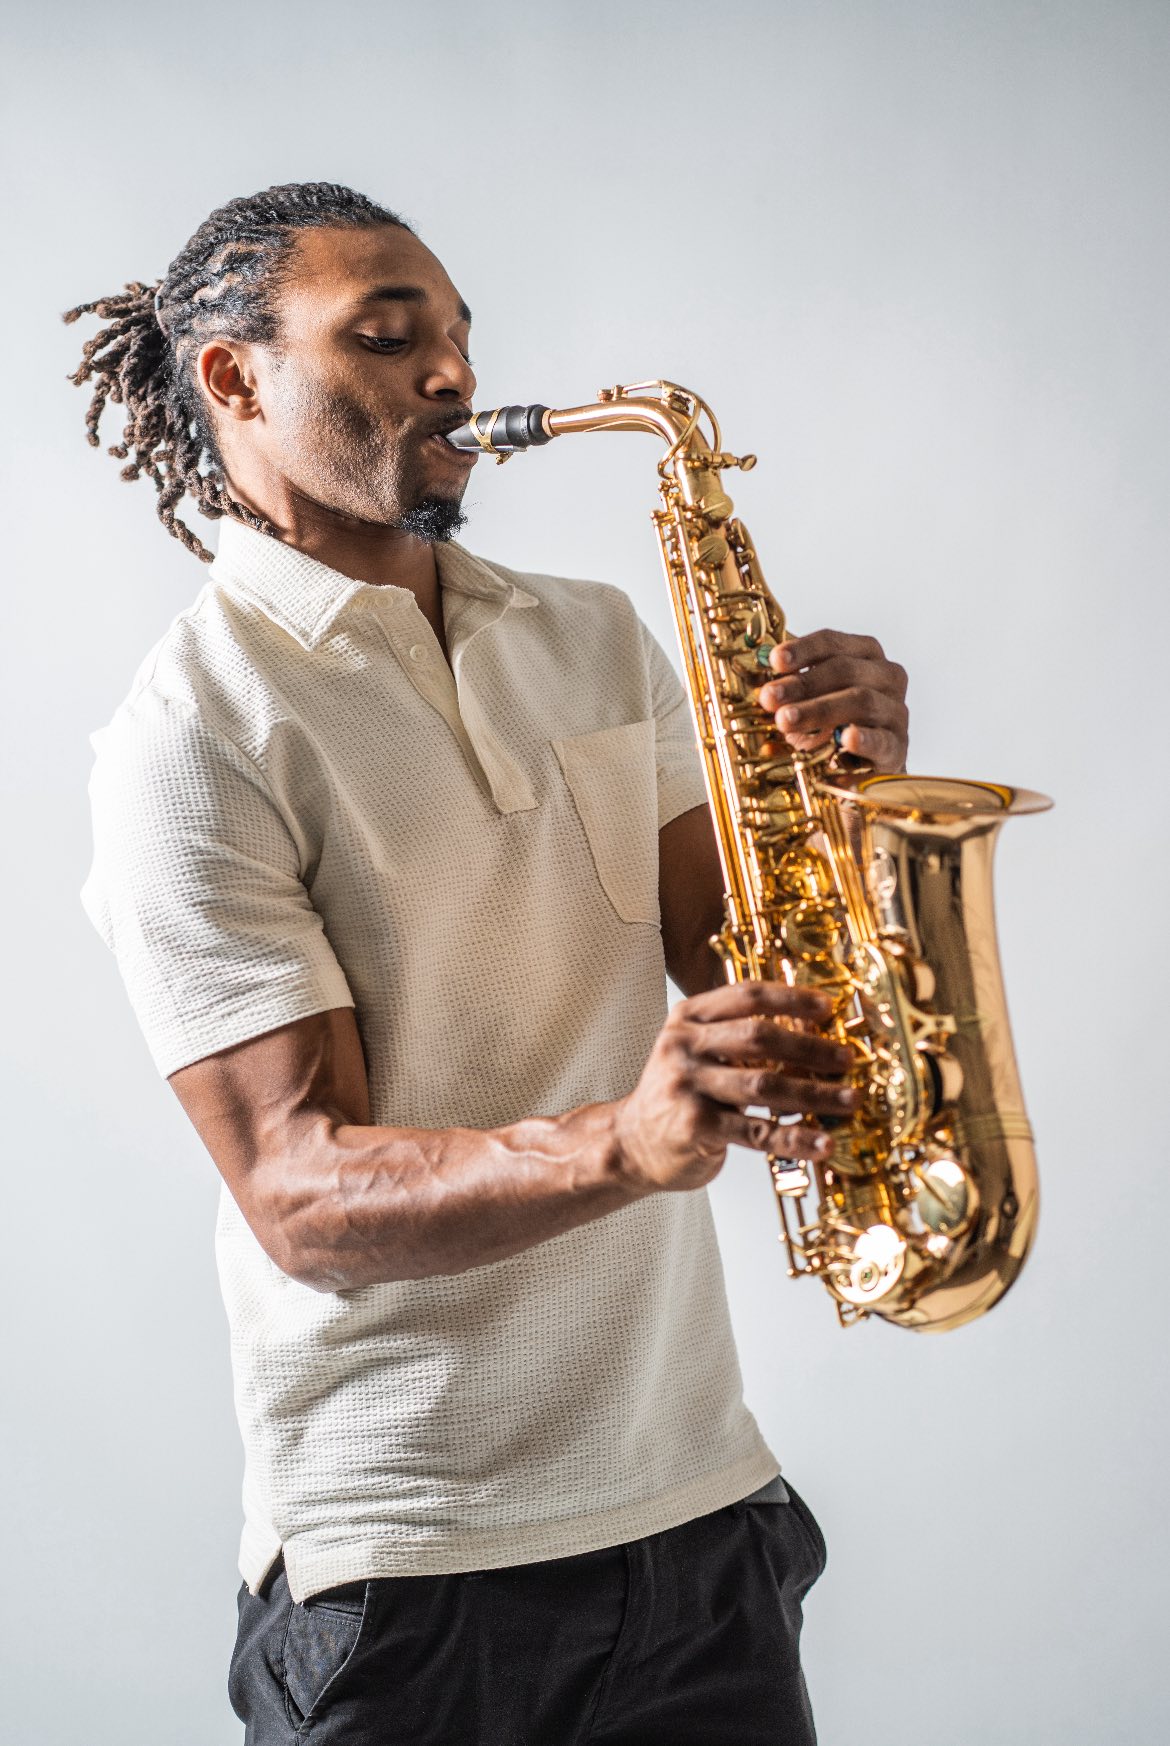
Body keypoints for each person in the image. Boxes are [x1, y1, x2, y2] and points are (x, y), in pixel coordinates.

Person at [70, 183, 910, 1746]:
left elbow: (755, 967)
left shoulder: (595, 636)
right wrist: (625, 1138)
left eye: (457, 334)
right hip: (407, 1575)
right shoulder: (190, 735)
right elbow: (303, 1194)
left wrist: (839, 800)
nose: (453, 373)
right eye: (388, 338)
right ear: (234, 378)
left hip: (701, 1515)